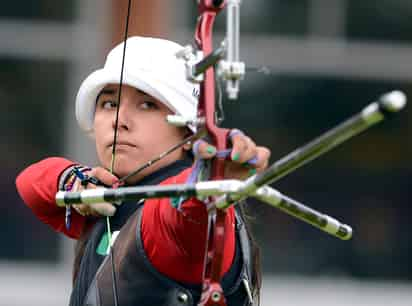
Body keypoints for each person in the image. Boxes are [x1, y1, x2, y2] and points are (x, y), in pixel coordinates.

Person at [16, 36, 270, 306]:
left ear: (189, 130)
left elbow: (181, 213)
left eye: (147, 105)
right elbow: (30, 183)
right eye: (109, 104)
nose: (118, 121)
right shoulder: (109, 200)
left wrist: (211, 177)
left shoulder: (176, 216)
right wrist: (75, 182)